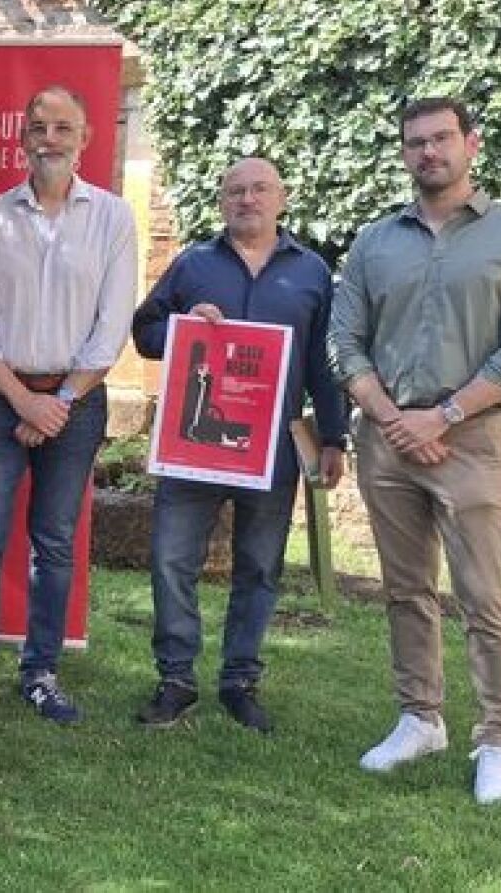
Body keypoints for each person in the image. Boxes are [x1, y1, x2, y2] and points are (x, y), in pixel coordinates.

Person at [331, 97, 501, 804]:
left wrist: (443, 415)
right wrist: (395, 418)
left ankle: (499, 740)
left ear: (471, 144)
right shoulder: (375, 242)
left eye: (441, 138)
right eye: (415, 142)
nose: (428, 152)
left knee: (485, 595)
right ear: (404, 153)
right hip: (387, 439)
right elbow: (345, 342)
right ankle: (419, 717)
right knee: (406, 589)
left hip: (470, 439)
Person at [0, 85, 137, 726]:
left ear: (86, 138)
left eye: (63, 128)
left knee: (55, 543)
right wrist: (22, 400)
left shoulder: (114, 219)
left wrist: (59, 403)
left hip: (78, 401)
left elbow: (112, 326)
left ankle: (41, 673)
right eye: (39, 127)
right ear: (22, 138)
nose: (50, 138)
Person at [129, 157, 348, 734]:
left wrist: (333, 436)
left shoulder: (312, 273)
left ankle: (240, 681)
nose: (247, 199)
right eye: (235, 191)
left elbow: (325, 362)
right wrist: (182, 326)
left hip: (271, 450)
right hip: (194, 443)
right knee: (172, 561)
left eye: (259, 189)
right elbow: (145, 332)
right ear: (222, 202)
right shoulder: (193, 264)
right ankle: (176, 679)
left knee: (259, 567)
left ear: (282, 198)